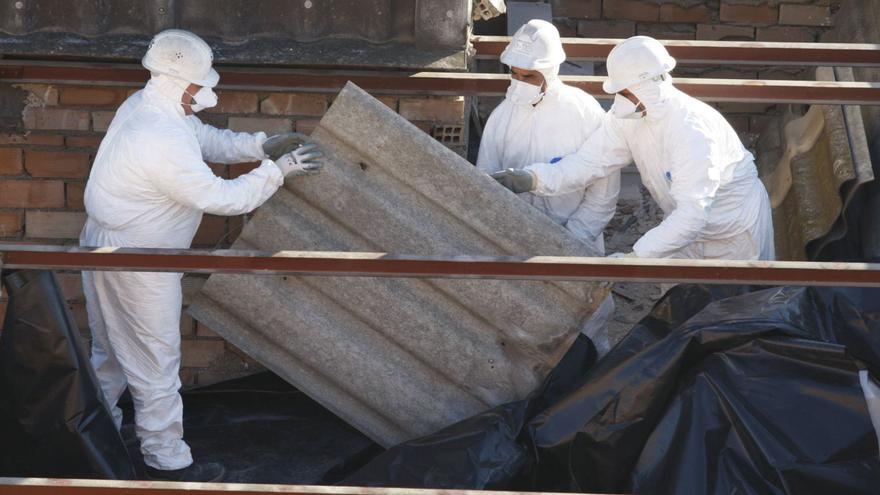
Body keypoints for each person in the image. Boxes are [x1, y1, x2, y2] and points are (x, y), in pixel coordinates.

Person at [79, 29, 322, 482]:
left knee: (111, 351)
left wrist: (260, 145)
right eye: (200, 84)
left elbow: (204, 140)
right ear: (175, 82)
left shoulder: (153, 106)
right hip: (137, 260)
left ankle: (92, 432)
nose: (208, 91)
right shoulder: (157, 135)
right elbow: (223, 197)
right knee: (155, 358)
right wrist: (278, 171)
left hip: (112, 245)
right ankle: (166, 457)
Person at [492, 35, 775, 262]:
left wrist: (637, 256)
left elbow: (693, 214)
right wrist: (534, 179)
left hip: (731, 235)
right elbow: (588, 163)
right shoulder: (629, 117)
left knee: (737, 318)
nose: (620, 101)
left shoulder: (691, 131)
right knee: (684, 310)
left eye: (626, 93)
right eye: (619, 93)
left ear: (652, 85)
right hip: (681, 231)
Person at [480, 20, 619, 354]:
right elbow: (484, 184)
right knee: (522, 333)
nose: (519, 83)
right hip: (518, 246)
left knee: (584, 325)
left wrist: (575, 239)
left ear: (550, 70)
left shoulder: (584, 112)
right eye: (514, 74)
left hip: (577, 237)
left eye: (528, 76)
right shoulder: (502, 117)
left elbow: (604, 189)